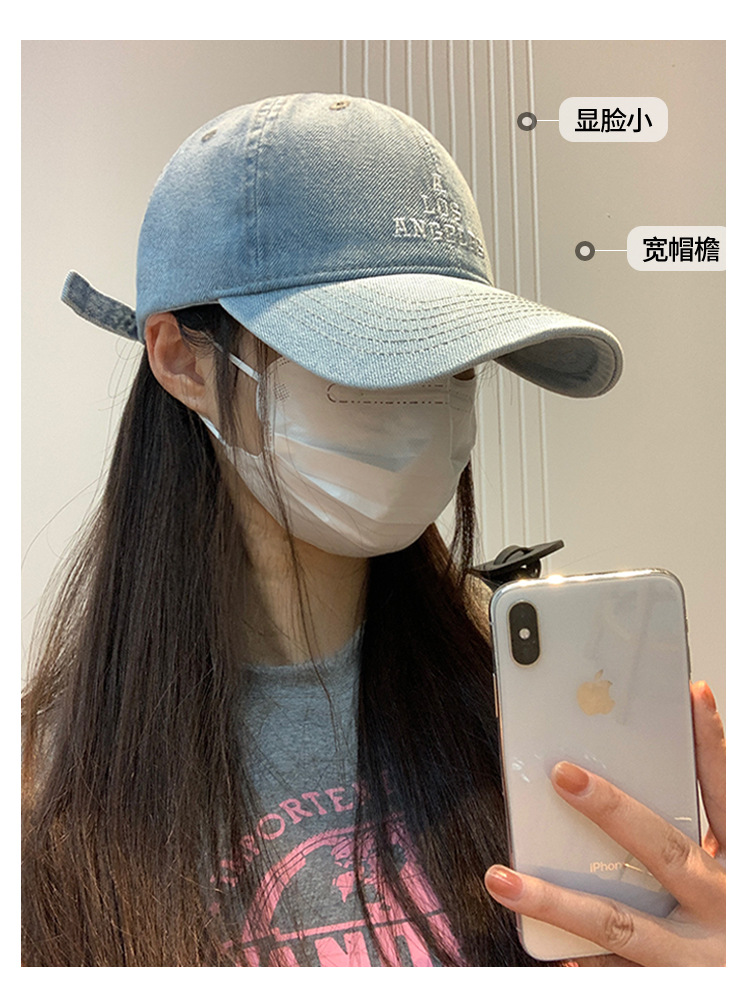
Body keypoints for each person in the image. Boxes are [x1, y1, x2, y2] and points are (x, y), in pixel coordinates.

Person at [21, 93, 725, 967]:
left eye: (453, 363)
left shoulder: (519, 711)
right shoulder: (47, 784)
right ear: (182, 359)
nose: (419, 409)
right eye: (363, 357)